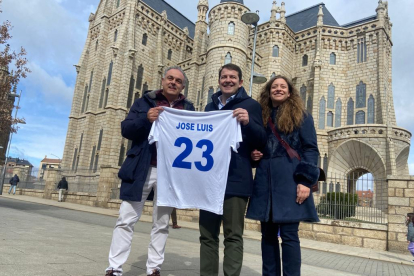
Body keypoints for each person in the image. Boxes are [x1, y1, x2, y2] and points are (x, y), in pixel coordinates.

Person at [105, 66, 195, 276]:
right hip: (141, 169)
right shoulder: (144, 103)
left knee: (162, 223)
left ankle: (154, 268)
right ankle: (114, 268)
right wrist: (146, 119)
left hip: (170, 173)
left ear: (183, 86)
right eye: (170, 78)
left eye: (178, 81)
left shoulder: (189, 109)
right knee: (126, 219)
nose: (173, 82)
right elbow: (126, 129)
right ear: (163, 81)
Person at [246, 75, 320, 276]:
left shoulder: (301, 115)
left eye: (282, 87)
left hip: (290, 178)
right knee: (267, 236)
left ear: (289, 92)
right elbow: (256, 145)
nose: (278, 89)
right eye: (274, 87)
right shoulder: (261, 116)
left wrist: (305, 181)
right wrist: (254, 155)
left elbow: (311, 149)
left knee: (289, 236)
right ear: (269, 92)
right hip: (264, 180)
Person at [199, 63, 267, 276]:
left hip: (235, 180)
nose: (227, 80)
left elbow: (262, 139)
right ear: (219, 80)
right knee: (207, 235)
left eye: (232, 77)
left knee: (233, 235)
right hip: (209, 181)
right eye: (224, 77)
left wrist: (248, 122)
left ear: (240, 81)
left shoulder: (251, 106)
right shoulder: (209, 107)